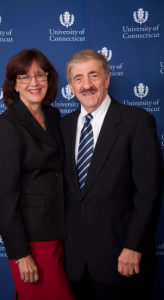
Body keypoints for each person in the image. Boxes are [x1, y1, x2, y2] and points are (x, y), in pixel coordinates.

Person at [59, 49, 163, 300]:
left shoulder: (137, 121)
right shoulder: (62, 127)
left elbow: (149, 192)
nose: (87, 85)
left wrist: (134, 246)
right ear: (71, 87)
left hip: (123, 260)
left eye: (93, 75)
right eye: (78, 78)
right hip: (75, 266)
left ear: (107, 79)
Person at [0, 48, 75, 300]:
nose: (34, 82)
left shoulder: (53, 115)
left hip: (60, 228)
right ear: (14, 84)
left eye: (40, 75)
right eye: (24, 77)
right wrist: (20, 254)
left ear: (49, 79)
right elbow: (4, 198)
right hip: (32, 239)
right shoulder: (7, 127)